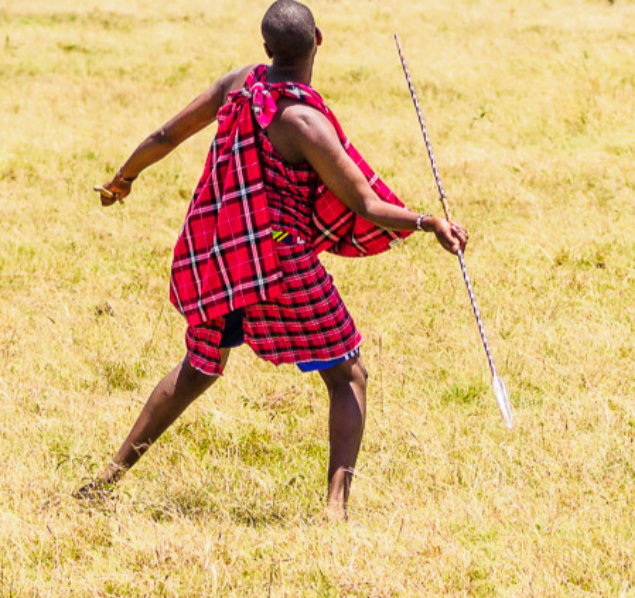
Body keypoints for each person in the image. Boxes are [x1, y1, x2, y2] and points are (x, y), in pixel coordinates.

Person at [79, 0, 467, 520]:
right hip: (280, 265)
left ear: (266, 50)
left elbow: (166, 135)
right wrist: (427, 222)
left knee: (199, 367)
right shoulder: (304, 123)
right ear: (319, 41)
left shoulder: (240, 84)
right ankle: (336, 510)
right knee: (348, 374)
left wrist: (124, 177)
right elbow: (365, 204)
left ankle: (107, 478)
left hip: (226, 252)